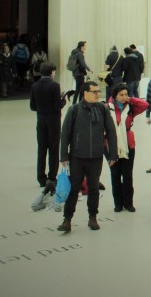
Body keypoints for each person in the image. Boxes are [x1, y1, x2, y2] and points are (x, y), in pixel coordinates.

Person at [58, 80, 118, 233]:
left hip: (96, 156)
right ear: (85, 93)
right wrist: (64, 156)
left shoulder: (102, 109)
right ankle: (67, 219)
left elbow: (111, 131)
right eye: (95, 92)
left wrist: (113, 154)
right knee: (74, 189)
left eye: (99, 91)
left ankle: (93, 217)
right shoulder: (74, 110)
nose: (98, 94)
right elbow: (65, 134)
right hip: (77, 156)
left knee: (93, 189)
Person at [29, 62, 65, 188]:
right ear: (51, 72)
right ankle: (52, 177)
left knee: (42, 148)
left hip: (41, 120)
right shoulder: (55, 86)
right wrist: (63, 100)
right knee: (54, 149)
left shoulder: (35, 85)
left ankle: (41, 178)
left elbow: (32, 106)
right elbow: (57, 106)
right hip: (53, 120)